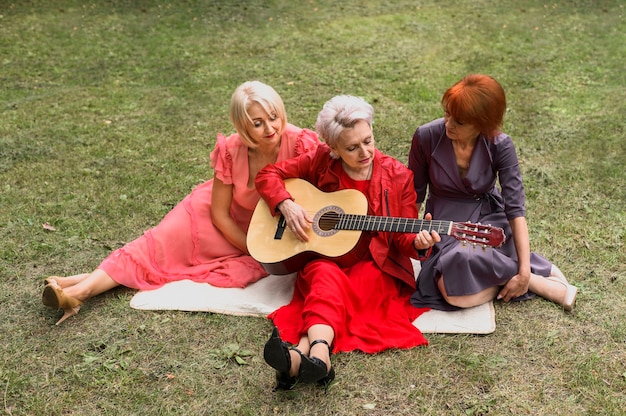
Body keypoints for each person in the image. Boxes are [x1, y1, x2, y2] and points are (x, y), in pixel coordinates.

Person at [42, 81, 320, 325]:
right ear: (242, 125)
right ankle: (79, 293)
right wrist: (250, 248)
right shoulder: (231, 149)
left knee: (160, 259)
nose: (270, 128)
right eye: (257, 123)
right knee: (153, 245)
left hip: (268, 228)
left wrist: (264, 246)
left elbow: (321, 194)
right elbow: (220, 214)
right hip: (217, 218)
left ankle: (73, 287)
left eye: (273, 117)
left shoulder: (300, 143)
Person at [256, 95, 440, 391]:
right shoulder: (320, 160)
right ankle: (320, 361)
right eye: (352, 148)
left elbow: (403, 240)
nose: (365, 152)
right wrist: (286, 204)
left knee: (339, 287)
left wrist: (419, 243)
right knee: (323, 275)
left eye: (368, 140)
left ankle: (302, 355)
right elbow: (268, 175)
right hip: (328, 257)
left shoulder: (398, 177)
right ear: (333, 149)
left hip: (374, 264)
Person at [408, 74, 577, 312]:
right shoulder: (425, 136)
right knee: (452, 292)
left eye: (460, 121)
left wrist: (525, 271)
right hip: (444, 221)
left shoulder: (500, 144)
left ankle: (517, 275)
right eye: (447, 113)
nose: (448, 124)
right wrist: (409, 238)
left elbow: (515, 209)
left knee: (462, 273)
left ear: (483, 125)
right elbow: (412, 196)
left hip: (487, 218)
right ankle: (522, 280)